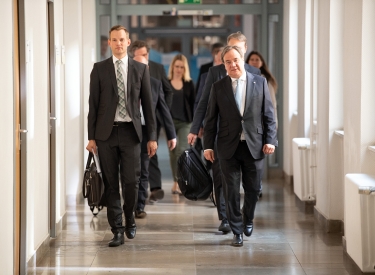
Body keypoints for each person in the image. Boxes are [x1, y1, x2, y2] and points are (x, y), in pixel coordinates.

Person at [86, 25, 157, 247]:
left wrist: (152, 136)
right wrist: (91, 137)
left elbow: (148, 105)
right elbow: (93, 106)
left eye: (122, 40)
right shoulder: (99, 69)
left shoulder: (140, 69)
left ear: (128, 42)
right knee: (110, 183)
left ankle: (129, 219)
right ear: (109, 43)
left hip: (130, 133)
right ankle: (116, 229)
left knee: (131, 182)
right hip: (105, 134)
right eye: (114, 40)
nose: (118, 43)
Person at [203, 45, 277, 247]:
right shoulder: (219, 87)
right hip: (228, 147)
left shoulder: (259, 82)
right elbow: (210, 120)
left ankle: (248, 219)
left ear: (242, 59)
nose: (232, 64)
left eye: (235, 60)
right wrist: (207, 146)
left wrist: (270, 140)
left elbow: (269, 116)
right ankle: (237, 230)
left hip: (255, 146)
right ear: (223, 64)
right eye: (228, 61)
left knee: (253, 189)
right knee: (231, 190)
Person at [187, 32, 261, 234]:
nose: (232, 54)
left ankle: (242, 218)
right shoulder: (215, 72)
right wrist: (196, 128)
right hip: (222, 135)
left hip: (248, 138)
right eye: (229, 48)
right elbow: (204, 102)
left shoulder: (255, 73)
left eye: (237, 48)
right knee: (222, 180)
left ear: (244, 49)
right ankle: (226, 218)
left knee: (251, 185)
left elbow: (263, 107)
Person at [128, 40, 174, 203]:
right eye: (142, 55)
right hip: (130, 128)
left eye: (147, 55)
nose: (146, 59)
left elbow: (165, 94)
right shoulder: (126, 76)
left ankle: (144, 199)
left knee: (146, 162)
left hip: (150, 126)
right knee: (132, 166)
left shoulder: (156, 70)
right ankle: (135, 198)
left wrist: (158, 114)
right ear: (132, 57)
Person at [168, 54, 196, 194]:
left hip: (186, 122)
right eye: (177, 66)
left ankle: (180, 182)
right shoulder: (165, 82)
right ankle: (175, 181)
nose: (179, 69)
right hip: (170, 122)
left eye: (182, 67)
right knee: (173, 153)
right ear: (172, 67)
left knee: (181, 152)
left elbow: (194, 104)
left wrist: (196, 126)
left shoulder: (189, 83)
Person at [246, 51, 278, 128]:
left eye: (257, 60)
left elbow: (272, 103)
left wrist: (274, 123)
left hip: (261, 120)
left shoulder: (266, 79)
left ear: (262, 63)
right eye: (252, 59)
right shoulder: (243, 78)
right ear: (247, 62)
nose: (254, 62)